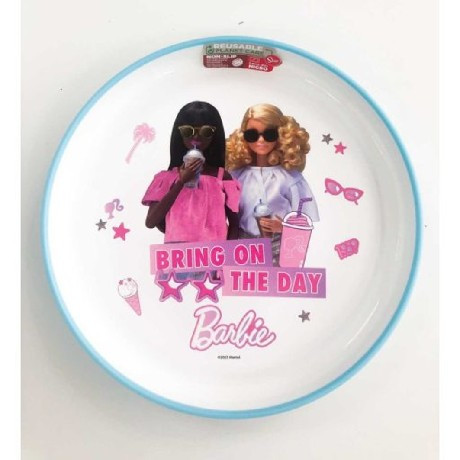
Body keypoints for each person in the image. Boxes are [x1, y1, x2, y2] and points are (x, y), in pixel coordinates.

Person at [226, 103, 319, 265]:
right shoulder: (237, 176)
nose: (261, 140)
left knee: (275, 279)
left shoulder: (289, 178)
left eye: (269, 134)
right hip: (243, 245)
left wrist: (283, 227)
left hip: (278, 245)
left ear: (282, 135)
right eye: (252, 135)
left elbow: (303, 220)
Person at [142, 101, 240, 243]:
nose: (196, 137)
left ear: (215, 135)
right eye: (188, 131)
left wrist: (227, 252)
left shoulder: (222, 177)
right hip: (179, 255)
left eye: (206, 131)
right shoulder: (167, 178)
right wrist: (181, 182)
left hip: (215, 253)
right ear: (179, 134)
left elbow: (235, 225)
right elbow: (151, 222)